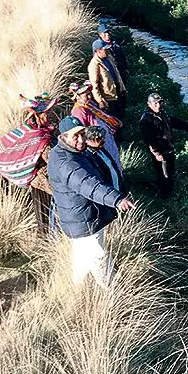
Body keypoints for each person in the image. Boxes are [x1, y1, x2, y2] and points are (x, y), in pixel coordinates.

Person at [48, 116, 136, 288]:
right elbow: (88, 185)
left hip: (81, 216)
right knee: (99, 257)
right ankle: (112, 292)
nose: (81, 140)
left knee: (82, 258)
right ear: (63, 137)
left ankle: (77, 290)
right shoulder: (67, 163)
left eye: (82, 134)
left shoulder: (71, 152)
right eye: (75, 136)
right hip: (84, 220)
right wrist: (117, 199)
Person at [0, 92, 59, 234]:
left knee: (43, 213)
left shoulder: (29, 129)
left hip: (38, 181)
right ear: (38, 115)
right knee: (51, 212)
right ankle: (52, 239)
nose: (51, 115)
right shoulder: (39, 136)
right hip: (45, 181)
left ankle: (47, 236)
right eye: (47, 113)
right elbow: (52, 160)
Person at [139, 92, 188, 198]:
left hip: (168, 148)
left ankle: (169, 192)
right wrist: (156, 153)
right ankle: (164, 197)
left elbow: (176, 122)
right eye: (155, 103)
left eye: (160, 103)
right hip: (160, 152)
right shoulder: (146, 120)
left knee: (170, 172)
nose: (158, 105)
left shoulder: (163, 114)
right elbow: (148, 139)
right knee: (163, 175)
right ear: (149, 104)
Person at [69, 81, 122, 171]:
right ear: (78, 96)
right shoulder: (78, 111)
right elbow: (83, 130)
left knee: (114, 158)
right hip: (96, 142)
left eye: (89, 94)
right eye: (86, 95)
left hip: (105, 138)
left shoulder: (89, 105)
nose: (89, 97)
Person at [87, 38, 128, 119]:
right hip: (109, 98)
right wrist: (100, 101)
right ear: (98, 51)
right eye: (105, 49)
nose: (107, 50)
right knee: (113, 119)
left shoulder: (109, 58)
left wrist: (122, 88)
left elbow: (117, 74)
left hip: (117, 92)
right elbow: (94, 86)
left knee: (121, 115)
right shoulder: (94, 65)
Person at [85, 125, 124, 194]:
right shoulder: (87, 155)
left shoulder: (102, 150)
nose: (103, 141)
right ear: (90, 139)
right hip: (106, 193)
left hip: (117, 189)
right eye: (99, 138)